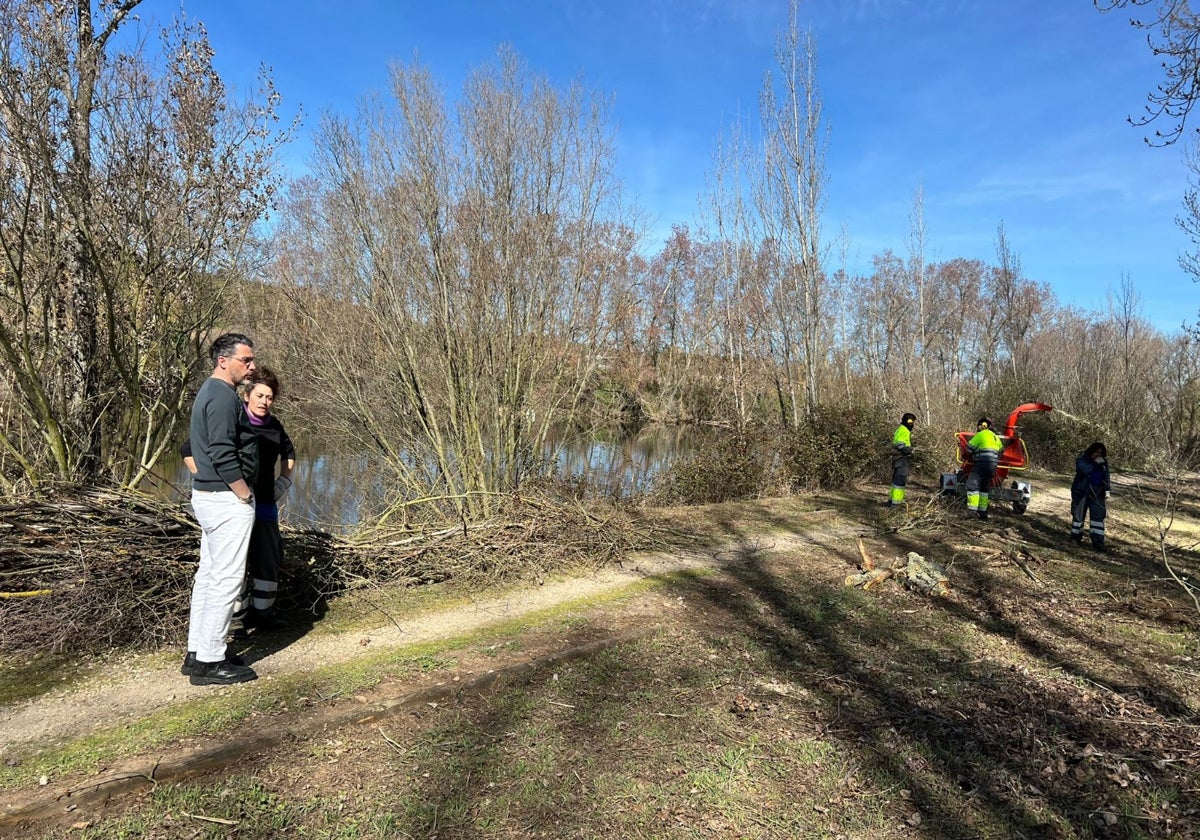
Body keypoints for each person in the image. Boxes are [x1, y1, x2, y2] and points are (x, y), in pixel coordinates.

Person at [182, 366, 297, 633]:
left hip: (265, 503)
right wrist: (209, 477)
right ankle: (236, 619)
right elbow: (189, 449)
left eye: (269, 397)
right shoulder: (233, 417)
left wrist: (285, 480)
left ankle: (263, 613)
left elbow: (289, 453)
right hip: (235, 501)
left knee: (267, 558)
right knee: (234, 561)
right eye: (259, 396)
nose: (264, 402)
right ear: (247, 396)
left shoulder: (274, 425)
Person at [183, 333, 260, 686]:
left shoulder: (211, 392)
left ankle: (198, 651)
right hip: (225, 500)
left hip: (210, 495)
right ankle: (210, 661)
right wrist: (243, 494)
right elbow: (222, 452)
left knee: (210, 576)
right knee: (226, 580)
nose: (252, 366)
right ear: (223, 361)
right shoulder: (221, 397)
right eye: (246, 360)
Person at [1071, 442, 1111, 551]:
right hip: (1082, 492)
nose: (1098, 455)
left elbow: (1106, 475)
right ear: (1091, 451)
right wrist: (1094, 463)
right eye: (1096, 452)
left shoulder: (1103, 462)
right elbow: (1084, 470)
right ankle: (1075, 538)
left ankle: (1098, 542)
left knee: (1098, 517)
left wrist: (1107, 490)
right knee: (1078, 516)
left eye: (1100, 453)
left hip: (1097, 494)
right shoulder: (1082, 459)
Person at [964, 417, 1003, 521]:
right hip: (992, 466)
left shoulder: (980, 435)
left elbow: (968, 448)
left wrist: (974, 454)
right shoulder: (995, 437)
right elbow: (1001, 450)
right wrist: (994, 459)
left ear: (982, 426)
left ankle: (972, 512)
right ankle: (983, 513)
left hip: (981, 464)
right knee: (984, 488)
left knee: (973, 485)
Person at [887, 413, 916, 507]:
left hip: (898, 458)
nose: (913, 424)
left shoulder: (901, 429)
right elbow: (900, 445)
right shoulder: (904, 430)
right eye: (912, 422)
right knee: (900, 480)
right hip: (901, 459)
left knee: (895, 482)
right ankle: (895, 504)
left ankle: (891, 501)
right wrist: (910, 450)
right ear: (909, 422)